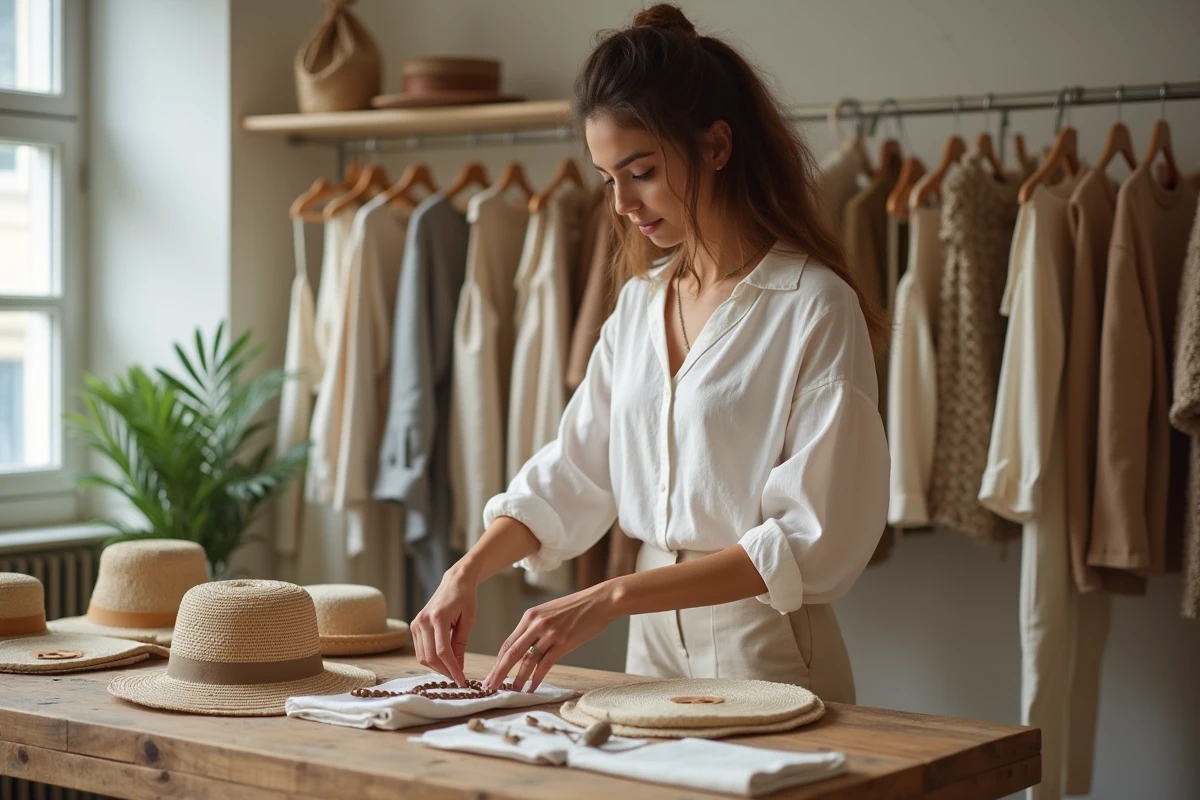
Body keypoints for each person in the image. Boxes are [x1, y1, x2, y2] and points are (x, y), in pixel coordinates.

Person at [411, 3, 890, 705]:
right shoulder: (640, 303)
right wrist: (466, 572)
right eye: (609, 178)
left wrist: (612, 595)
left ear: (717, 146)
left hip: (762, 640)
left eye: (640, 171)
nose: (622, 204)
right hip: (650, 643)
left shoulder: (812, 306)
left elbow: (809, 535)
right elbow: (576, 468)